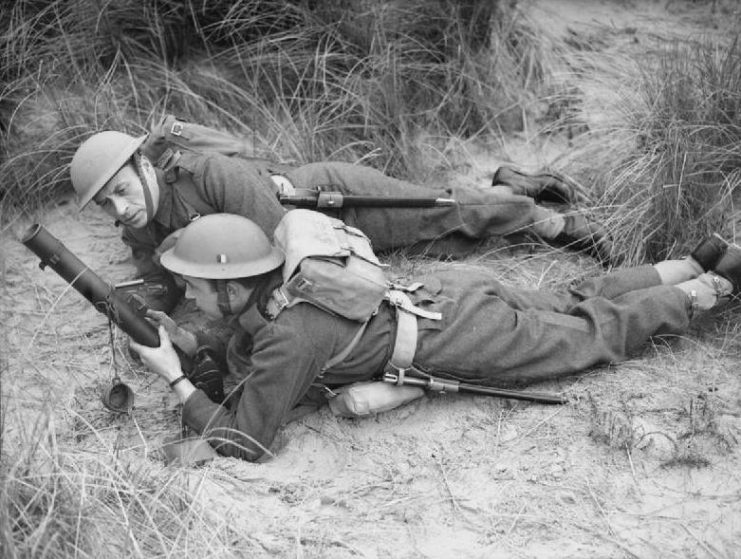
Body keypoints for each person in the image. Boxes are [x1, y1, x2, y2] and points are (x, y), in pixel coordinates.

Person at [130, 213, 738, 462]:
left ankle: (708, 290)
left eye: (202, 289)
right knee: (572, 295)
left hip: (461, 330)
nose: (194, 298)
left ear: (237, 285)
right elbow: (247, 357)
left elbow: (247, 441)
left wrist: (176, 379)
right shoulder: (282, 293)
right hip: (445, 290)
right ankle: (688, 263)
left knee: (586, 336)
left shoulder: (291, 331)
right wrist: (187, 342)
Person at [69, 115, 611, 311]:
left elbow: (274, 244)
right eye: (107, 206)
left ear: (142, 165)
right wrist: (151, 309)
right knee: (439, 243)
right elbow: (159, 279)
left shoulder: (208, 175)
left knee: (440, 215)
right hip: (320, 231)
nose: (122, 208)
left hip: (325, 200)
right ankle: (506, 181)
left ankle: (545, 219)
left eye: (122, 190)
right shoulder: (137, 228)